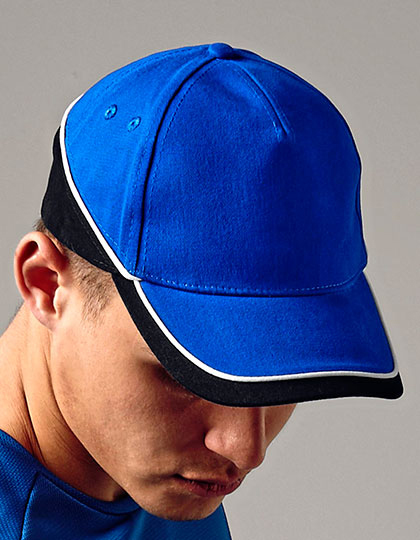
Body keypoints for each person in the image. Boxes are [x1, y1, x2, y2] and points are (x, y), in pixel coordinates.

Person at [0, 42, 403, 539]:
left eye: (280, 374)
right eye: (186, 371)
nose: (245, 449)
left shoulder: (153, 484)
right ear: (45, 284)